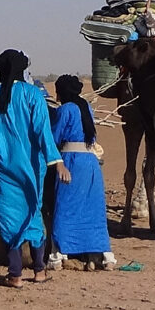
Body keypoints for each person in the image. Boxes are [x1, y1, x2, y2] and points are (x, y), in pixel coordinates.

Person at [0, 49, 69, 288]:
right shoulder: (33, 95)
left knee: (8, 217)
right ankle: (39, 271)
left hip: (3, 167)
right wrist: (55, 161)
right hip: (32, 166)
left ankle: (15, 275)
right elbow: (42, 131)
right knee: (33, 211)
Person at [47, 75, 116, 271]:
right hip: (91, 162)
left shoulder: (65, 110)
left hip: (71, 161)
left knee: (65, 207)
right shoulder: (87, 108)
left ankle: (57, 255)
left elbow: (54, 136)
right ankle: (105, 256)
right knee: (93, 209)